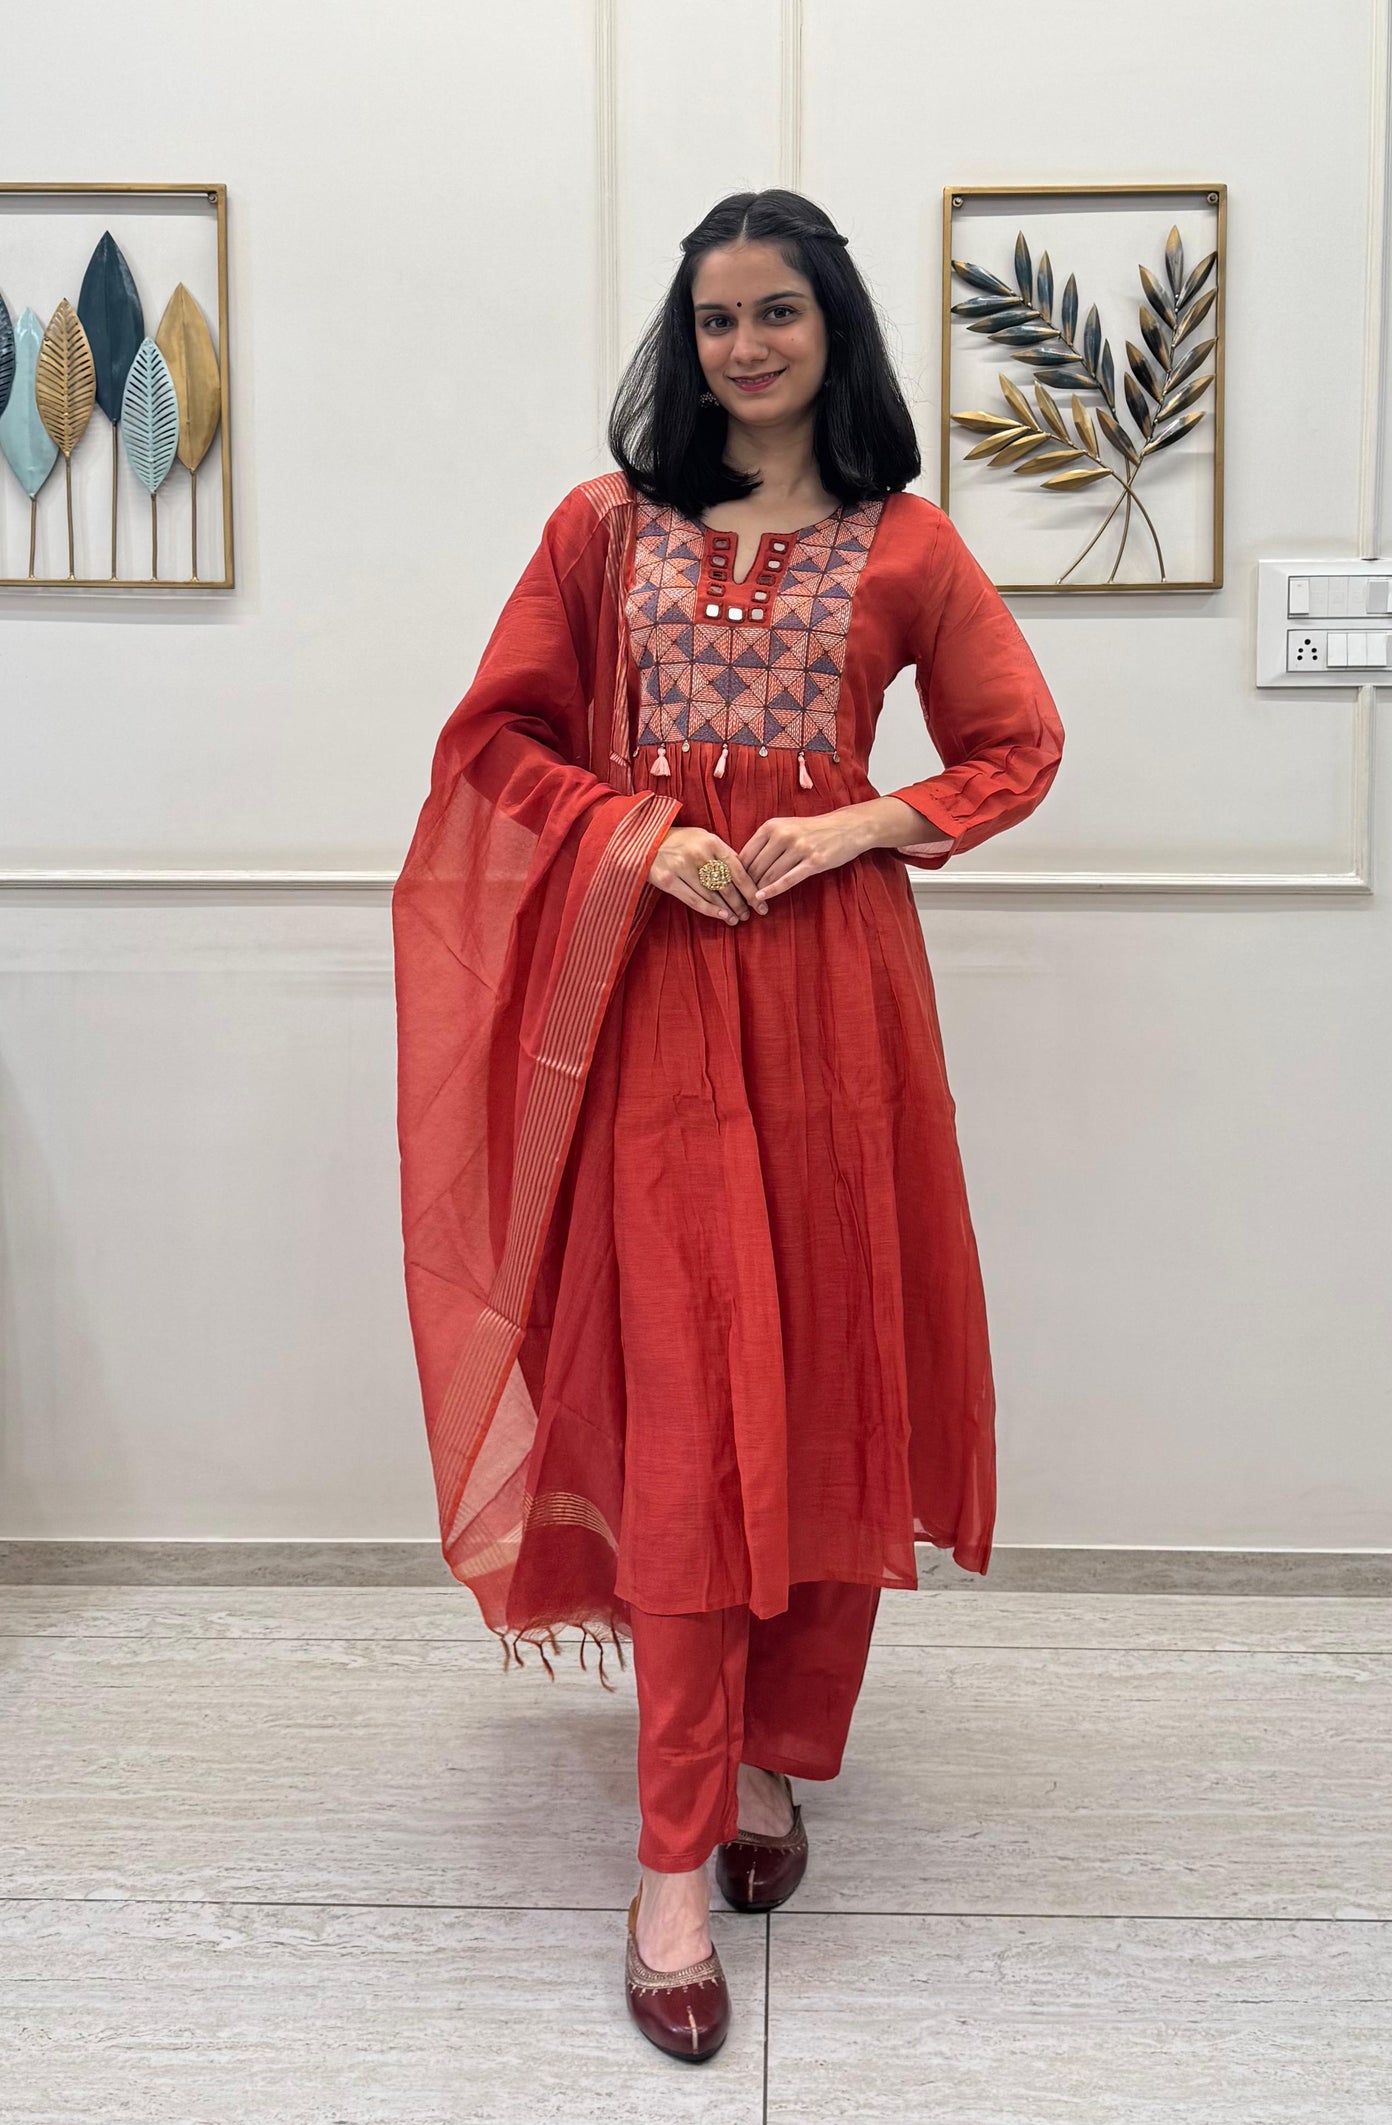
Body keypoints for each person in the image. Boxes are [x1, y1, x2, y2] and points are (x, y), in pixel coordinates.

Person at [391, 188, 1064, 2063]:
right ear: (684, 345)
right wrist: (642, 835)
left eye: (777, 313)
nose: (744, 346)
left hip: (838, 1016)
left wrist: (857, 820)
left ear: (834, 330)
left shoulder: (910, 549)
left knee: (829, 1373)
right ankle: (669, 1855)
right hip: (654, 1015)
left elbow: (1018, 746)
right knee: (692, 1409)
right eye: (714, 321)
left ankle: (776, 1757)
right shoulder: (601, 538)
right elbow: (493, 741)